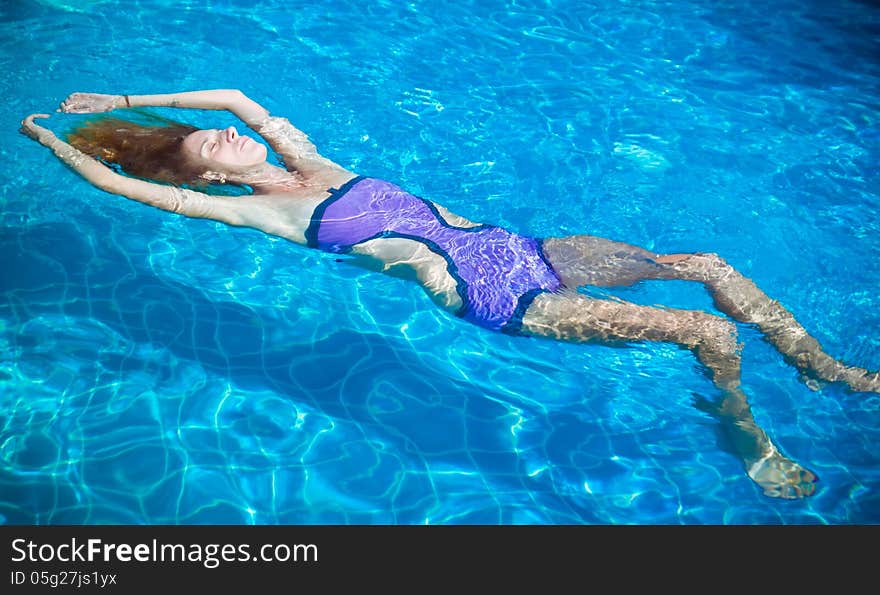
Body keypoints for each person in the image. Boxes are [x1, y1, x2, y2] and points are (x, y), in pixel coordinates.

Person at [20, 89, 880, 500]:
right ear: (203, 176)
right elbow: (127, 187)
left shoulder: (311, 159)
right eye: (214, 145)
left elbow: (237, 94)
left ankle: (821, 366)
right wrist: (52, 138)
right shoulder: (272, 215)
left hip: (531, 248)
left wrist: (132, 101)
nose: (234, 135)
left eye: (229, 135)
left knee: (710, 263)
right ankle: (751, 438)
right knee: (705, 332)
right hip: (493, 293)